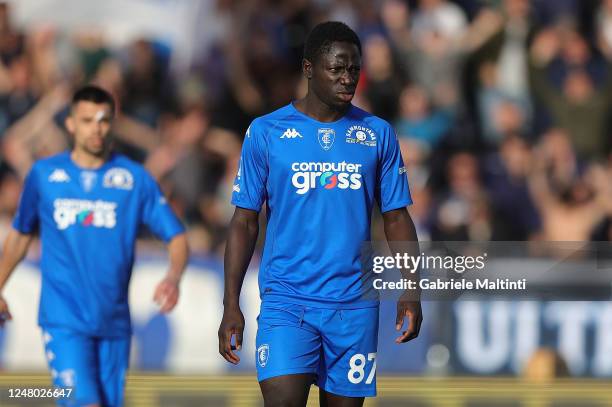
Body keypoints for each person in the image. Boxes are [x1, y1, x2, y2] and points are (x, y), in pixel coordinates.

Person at [218, 22, 422, 407]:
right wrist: (231, 302)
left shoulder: (376, 134)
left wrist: (411, 288)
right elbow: (244, 220)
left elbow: (396, 216)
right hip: (287, 303)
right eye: (337, 69)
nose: (348, 79)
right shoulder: (267, 132)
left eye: (354, 70)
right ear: (309, 68)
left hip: (354, 308)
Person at [0, 85, 189, 407]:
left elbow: (176, 235)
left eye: (103, 120)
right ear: (71, 124)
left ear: (113, 122)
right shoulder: (44, 175)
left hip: (114, 323)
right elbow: (20, 235)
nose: (96, 128)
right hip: (64, 320)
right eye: (87, 120)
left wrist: (173, 276)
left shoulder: (133, 179)